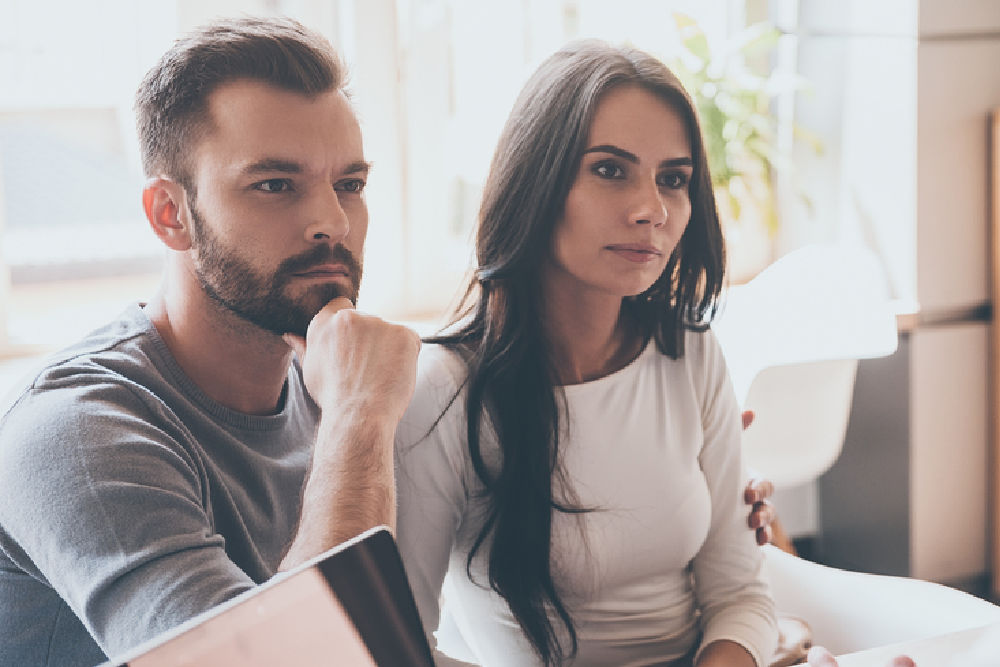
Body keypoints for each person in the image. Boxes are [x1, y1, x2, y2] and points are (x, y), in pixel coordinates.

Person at [0, 17, 421, 666]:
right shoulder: (78, 433)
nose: (332, 223)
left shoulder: (327, 382)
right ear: (171, 214)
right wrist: (361, 416)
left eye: (350, 185)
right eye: (275, 185)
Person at [394, 39, 778, 667]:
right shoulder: (441, 393)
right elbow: (401, 644)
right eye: (609, 170)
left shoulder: (692, 354)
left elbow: (741, 596)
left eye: (673, 180)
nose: (651, 210)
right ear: (535, 182)